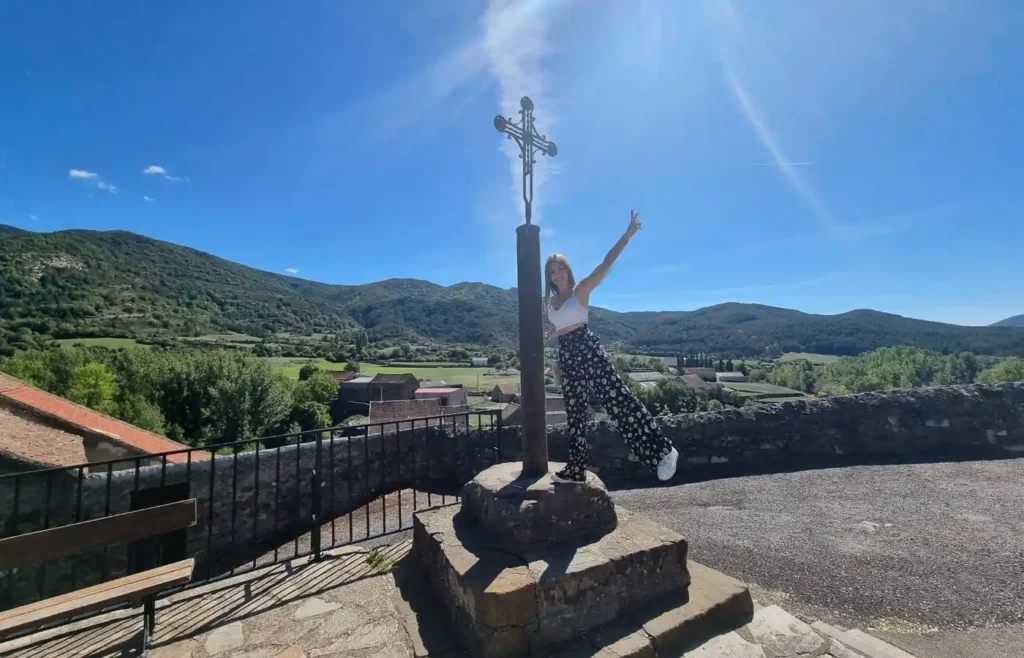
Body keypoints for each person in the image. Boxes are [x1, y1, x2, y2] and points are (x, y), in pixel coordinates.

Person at [543, 210, 679, 484]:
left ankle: (664, 450)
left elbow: (607, 262)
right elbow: (561, 325)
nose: (557, 274)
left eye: (560, 269)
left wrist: (627, 235)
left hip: (587, 348)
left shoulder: (581, 290)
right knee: (576, 415)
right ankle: (576, 470)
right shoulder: (550, 302)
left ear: (568, 270)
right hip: (567, 354)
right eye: (552, 271)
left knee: (620, 402)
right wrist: (550, 333)